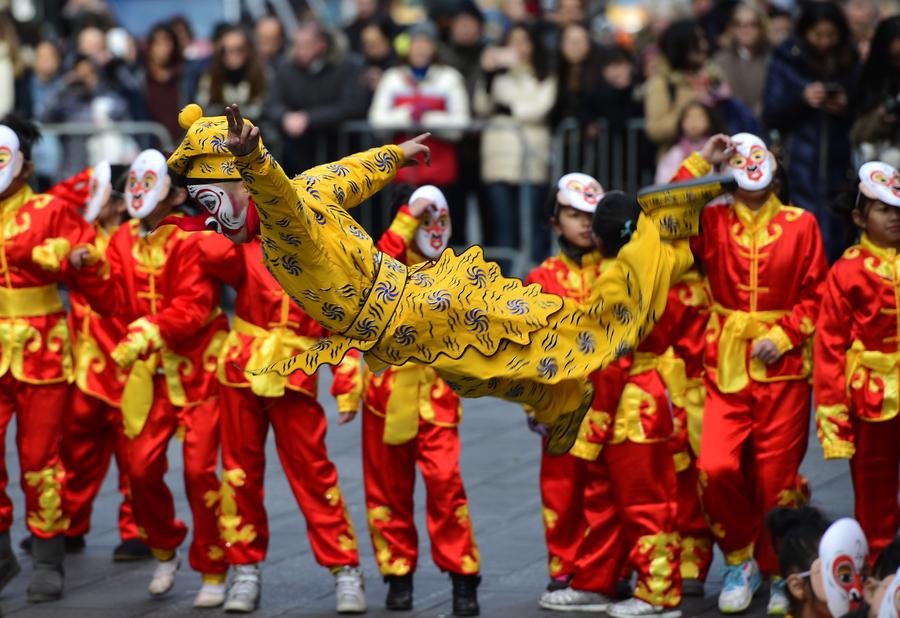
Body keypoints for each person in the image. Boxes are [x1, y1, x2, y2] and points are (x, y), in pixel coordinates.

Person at [162, 101, 700, 457]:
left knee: (552, 329)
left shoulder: (284, 224)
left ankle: (654, 240)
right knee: (479, 372)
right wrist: (396, 154)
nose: (209, 220)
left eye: (209, 202)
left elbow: (282, 193)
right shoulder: (305, 192)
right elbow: (349, 173)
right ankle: (560, 401)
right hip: (399, 324)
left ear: (241, 185)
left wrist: (254, 160)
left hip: (416, 305)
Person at [156, 229, 368, 614]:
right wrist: (226, 212)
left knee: (313, 473)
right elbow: (209, 249)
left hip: (295, 376)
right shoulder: (246, 247)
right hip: (242, 371)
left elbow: (343, 323)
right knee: (239, 474)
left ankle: (345, 569)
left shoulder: (323, 255)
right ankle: (244, 568)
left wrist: (347, 384)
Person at [70, 149, 229, 608]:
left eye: (149, 185)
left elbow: (195, 306)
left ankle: (214, 566)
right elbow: (113, 303)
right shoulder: (121, 240)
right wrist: (91, 270)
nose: (139, 194)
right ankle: (163, 547)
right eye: (134, 185)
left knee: (200, 471)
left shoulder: (192, 238)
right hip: (148, 376)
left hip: (197, 372)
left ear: (176, 196)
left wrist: (149, 331)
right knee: (139, 467)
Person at [679, 132, 828, 615]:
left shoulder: (801, 224)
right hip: (725, 362)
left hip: (783, 372)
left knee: (776, 478)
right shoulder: (712, 219)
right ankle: (739, 558)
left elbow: (816, 294)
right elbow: (663, 218)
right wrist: (702, 161)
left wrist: (783, 336)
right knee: (715, 467)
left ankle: (779, 568)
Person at [534, 181, 684, 618]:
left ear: (601, 239)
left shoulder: (617, 280)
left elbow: (613, 358)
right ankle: (594, 582)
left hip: (629, 405)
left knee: (645, 503)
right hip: (630, 397)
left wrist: (593, 425)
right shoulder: (652, 262)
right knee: (604, 500)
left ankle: (659, 594)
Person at [360, 185, 481, 616]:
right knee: (387, 491)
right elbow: (376, 277)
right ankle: (398, 575)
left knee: (446, 486)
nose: (432, 229)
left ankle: (463, 575)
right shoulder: (385, 269)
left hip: (436, 400)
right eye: (421, 220)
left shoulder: (457, 272)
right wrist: (405, 220)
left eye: (439, 220)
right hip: (386, 396)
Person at [0, 114, 105, 603]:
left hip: (41, 347)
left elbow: (92, 254)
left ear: (24, 166)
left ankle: (47, 555)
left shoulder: (48, 210)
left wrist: (72, 257)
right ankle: (1, 553)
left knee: (40, 457)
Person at [45, 161, 151, 562]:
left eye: (100, 193)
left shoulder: (136, 242)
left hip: (125, 360)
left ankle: (137, 530)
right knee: (76, 450)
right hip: (83, 362)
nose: (90, 199)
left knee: (132, 452)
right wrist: (94, 174)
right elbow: (53, 200)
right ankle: (69, 525)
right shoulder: (80, 235)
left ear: (121, 203)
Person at [814, 160, 900, 561]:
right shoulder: (847, 271)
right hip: (871, 396)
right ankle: (880, 569)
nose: (894, 217)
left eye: (898, 209)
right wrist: (833, 415)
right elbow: (829, 346)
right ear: (859, 218)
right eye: (884, 210)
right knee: (874, 485)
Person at [762, 1, 860, 262]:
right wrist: (802, 99)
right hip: (799, 160)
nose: (824, 42)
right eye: (818, 35)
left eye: (831, 35)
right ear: (805, 32)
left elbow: (864, 106)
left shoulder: (849, 58)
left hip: (840, 161)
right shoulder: (786, 58)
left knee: (838, 228)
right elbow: (771, 112)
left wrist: (845, 104)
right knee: (801, 229)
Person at [368, 20, 471, 216]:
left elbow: (460, 125)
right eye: (416, 42)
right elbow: (377, 120)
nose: (421, 48)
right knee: (400, 229)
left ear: (435, 47)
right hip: (400, 175)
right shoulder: (392, 78)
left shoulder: (450, 78)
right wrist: (408, 114)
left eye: (426, 43)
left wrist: (426, 118)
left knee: (438, 228)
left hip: (440, 174)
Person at [478, 22, 556, 266]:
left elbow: (537, 109)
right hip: (497, 160)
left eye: (524, 41)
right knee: (503, 229)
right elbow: (481, 106)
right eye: (513, 42)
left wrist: (508, 107)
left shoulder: (543, 75)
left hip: (532, 160)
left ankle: (535, 280)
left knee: (533, 228)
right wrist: (487, 74)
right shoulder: (497, 76)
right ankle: (503, 282)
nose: (519, 48)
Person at [265, 19, 369, 176]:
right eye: (296, 44)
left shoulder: (347, 67)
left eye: (306, 44)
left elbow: (352, 105)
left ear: (322, 45)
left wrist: (309, 118)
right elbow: (273, 102)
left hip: (340, 155)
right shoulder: (286, 68)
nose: (299, 50)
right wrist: (285, 116)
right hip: (297, 157)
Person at [644, 19, 728, 157]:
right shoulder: (662, 83)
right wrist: (689, 104)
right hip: (678, 162)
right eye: (696, 41)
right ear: (680, 46)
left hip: (717, 159)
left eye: (704, 39)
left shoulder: (713, 77)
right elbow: (656, 130)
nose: (704, 46)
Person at [851, 16, 900, 169]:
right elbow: (857, 135)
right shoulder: (872, 80)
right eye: (896, 58)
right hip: (880, 168)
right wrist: (879, 118)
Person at [195, 26, 267, 121]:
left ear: (248, 51)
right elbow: (203, 108)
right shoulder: (210, 78)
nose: (233, 55)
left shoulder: (262, 75)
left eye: (239, 49)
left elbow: (264, 108)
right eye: (227, 50)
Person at [713, 2, 771, 119]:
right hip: (732, 123)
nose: (745, 30)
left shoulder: (772, 59)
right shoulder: (720, 61)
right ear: (732, 28)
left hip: (766, 122)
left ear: (761, 27)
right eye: (739, 24)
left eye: (752, 24)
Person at [654, 101, 725, 184]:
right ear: (681, 122)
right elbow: (663, 183)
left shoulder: (717, 148)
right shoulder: (676, 152)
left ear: (709, 120)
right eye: (688, 117)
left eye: (699, 116)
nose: (693, 121)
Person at [142, 22, 185, 143]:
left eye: (167, 43)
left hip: (182, 143)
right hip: (151, 144)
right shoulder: (141, 80)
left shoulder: (184, 76)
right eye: (158, 43)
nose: (164, 48)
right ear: (150, 46)